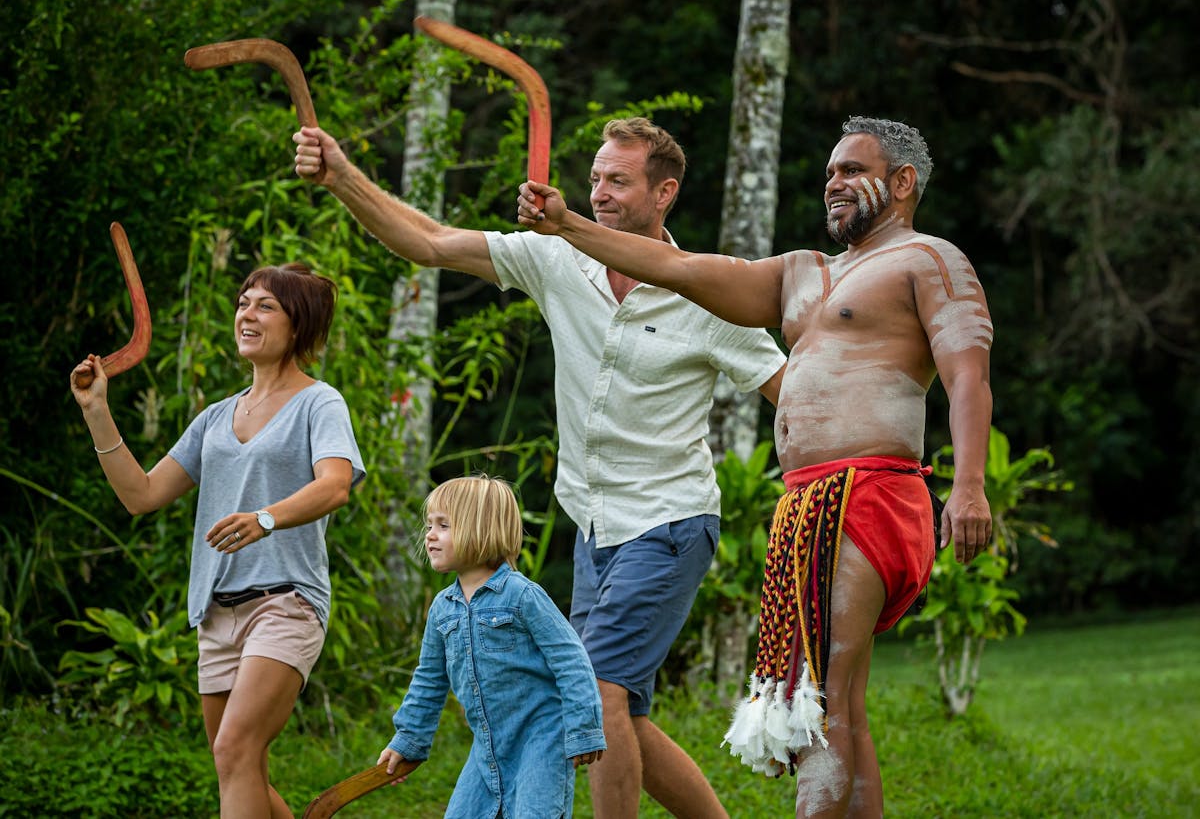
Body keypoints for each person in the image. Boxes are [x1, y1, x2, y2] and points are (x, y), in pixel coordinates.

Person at [294, 116, 786, 818]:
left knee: (598, 690)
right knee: (624, 713)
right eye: (594, 180)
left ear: (664, 191)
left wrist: (837, 484)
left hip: (670, 520)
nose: (600, 193)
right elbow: (429, 242)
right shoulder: (558, 261)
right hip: (593, 526)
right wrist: (341, 174)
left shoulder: (705, 293)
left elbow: (788, 392)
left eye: (618, 180)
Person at [516, 116, 994, 818]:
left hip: (868, 493)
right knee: (842, 704)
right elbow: (680, 269)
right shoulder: (807, 273)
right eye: (829, 170)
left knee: (819, 699)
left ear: (901, 183)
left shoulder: (928, 260)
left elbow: (968, 375)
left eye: (851, 170)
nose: (832, 182)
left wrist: (971, 487)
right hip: (810, 503)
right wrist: (569, 228)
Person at [70, 262, 366, 819]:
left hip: (285, 603)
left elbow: (335, 484)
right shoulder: (214, 418)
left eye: (264, 306)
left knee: (235, 750)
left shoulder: (319, 402)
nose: (246, 314)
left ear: (297, 325)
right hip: (216, 614)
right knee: (239, 766)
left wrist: (266, 519)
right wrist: (97, 412)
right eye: (242, 302)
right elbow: (142, 494)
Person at [379, 474, 606, 817]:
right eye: (429, 525)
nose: (430, 535)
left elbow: (571, 660)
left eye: (444, 525)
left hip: (540, 739)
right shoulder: (443, 608)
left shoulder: (522, 596)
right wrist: (408, 740)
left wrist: (583, 728)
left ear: (480, 529)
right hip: (487, 746)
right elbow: (429, 679)